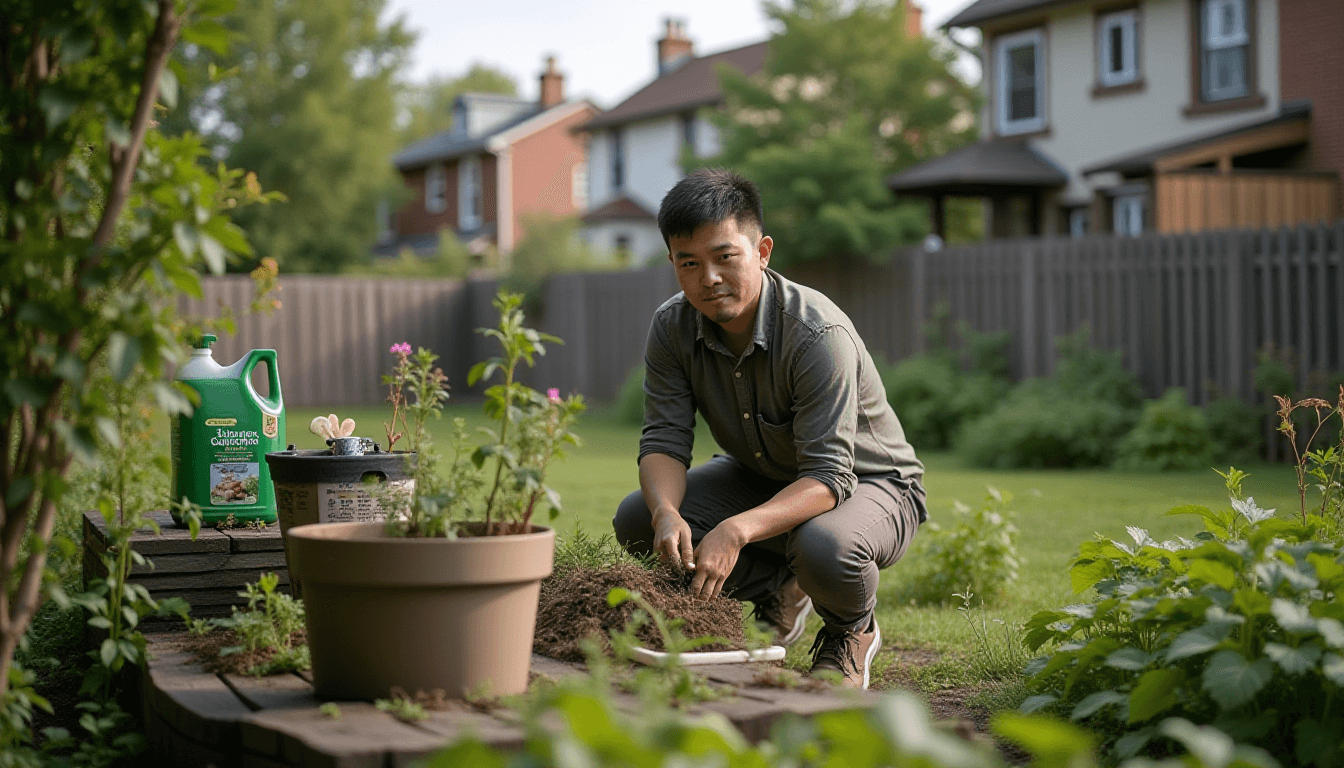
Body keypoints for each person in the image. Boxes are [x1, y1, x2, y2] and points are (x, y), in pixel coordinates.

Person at [612, 168, 927, 689]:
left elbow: (829, 476)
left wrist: (737, 529)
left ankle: (852, 630)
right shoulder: (672, 327)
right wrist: (667, 512)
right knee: (638, 518)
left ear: (762, 251)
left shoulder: (816, 335)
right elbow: (664, 440)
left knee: (825, 546)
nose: (708, 277)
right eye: (689, 263)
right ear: (672, 263)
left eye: (725, 257)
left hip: (873, 484)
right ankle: (779, 593)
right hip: (764, 476)